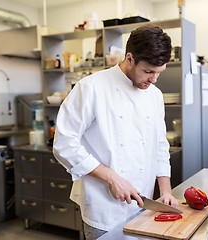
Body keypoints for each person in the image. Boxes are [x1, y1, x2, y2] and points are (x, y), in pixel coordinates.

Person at [53, 23, 179, 240]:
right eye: (148, 71)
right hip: (104, 209)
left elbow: (160, 145)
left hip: (143, 204)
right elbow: (64, 143)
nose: (154, 79)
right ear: (129, 58)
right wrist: (112, 177)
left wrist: (165, 190)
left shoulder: (155, 95)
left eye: (159, 72)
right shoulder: (91, 88)